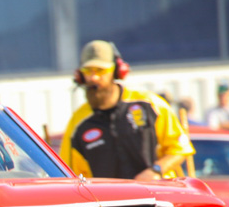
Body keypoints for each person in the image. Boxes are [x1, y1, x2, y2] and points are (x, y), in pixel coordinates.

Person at [60, 41, 194, 180]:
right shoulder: (78, 124)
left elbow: (180, 149)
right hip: (109, 201)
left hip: (158, 196)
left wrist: (156, 170)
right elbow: (69, 175)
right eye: (88, 71)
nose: (94, 78)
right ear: (80, 76)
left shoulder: (150, 105)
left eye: (100, 71)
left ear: (117, 71)